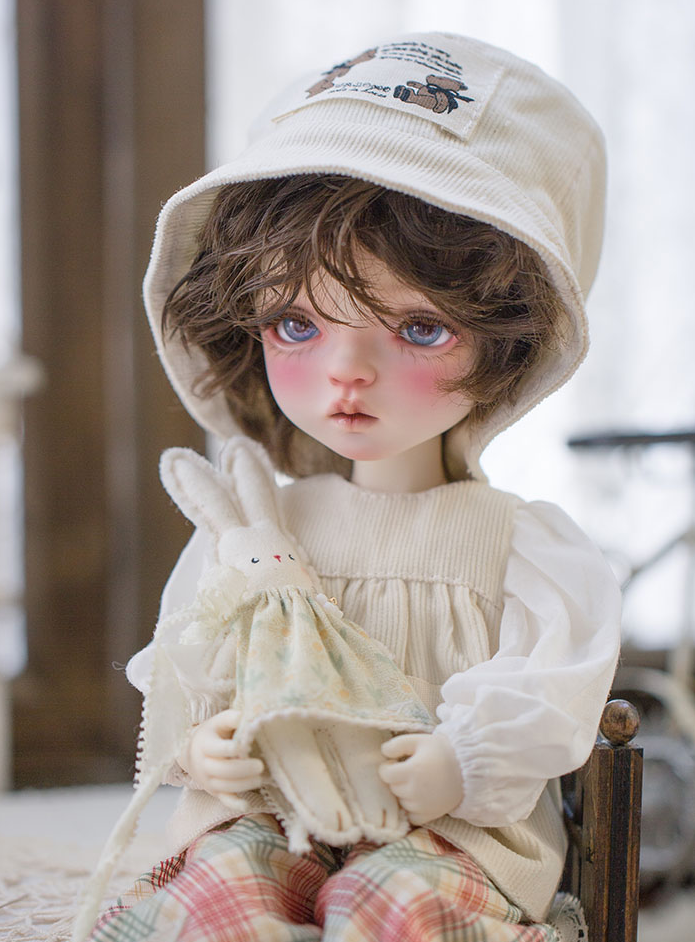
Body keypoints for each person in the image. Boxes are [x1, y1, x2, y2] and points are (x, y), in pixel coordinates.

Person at [76, 30, 620, 942]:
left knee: (394, 901)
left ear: (509, 346)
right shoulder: (257, 529)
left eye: (419, 329)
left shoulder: (518, 544)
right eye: (297, 324)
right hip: (273, 809)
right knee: (222, 888)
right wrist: (204, 743)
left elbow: (552, 685)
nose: (346, 374)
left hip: (446, 830)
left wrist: (464, 760)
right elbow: (194, 660)